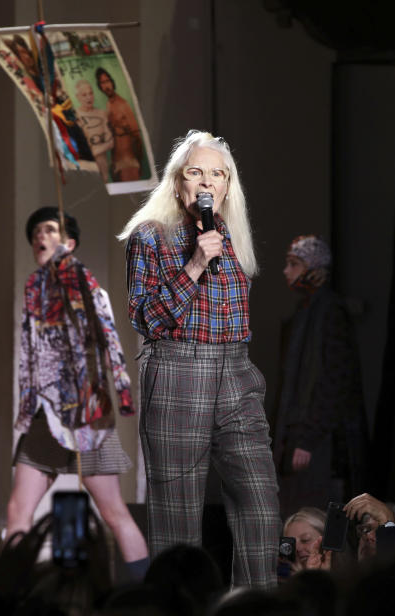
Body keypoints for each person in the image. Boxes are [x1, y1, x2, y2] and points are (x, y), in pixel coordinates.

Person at [119, 130, 280, 588]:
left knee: (260, 499)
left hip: (235, 371)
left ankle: (254, 614)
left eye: (217, 173)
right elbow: (146, 317)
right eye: (195, 172)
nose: (206, 182)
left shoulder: (231, 237)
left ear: (228, 186)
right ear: (178, 184)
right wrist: (193, 265)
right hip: (176, 371)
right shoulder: (150, 236)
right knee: (178, 519)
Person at [7, 207, 148, 580]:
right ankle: (10, 592)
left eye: (49, 229)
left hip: (87, 414)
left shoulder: (88, 287)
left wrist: (122, 393)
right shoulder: (34, 289)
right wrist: (27, 407)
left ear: (69, 243)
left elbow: (110, 344)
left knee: (114, 512)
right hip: (47, 414)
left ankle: (144, 591)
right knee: (17, 511)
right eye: (36, 231)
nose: (40, 236)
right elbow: (29, 354)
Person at [272, 235, 368, 518]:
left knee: (315, 515)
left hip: (319, 443)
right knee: (296, 511)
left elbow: (334, 380)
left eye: (294, 264)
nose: (286, 271)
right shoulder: (303, 314)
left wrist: (308, 438)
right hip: (299, 438)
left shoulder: (330, 312)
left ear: (314, 268)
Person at [95, 67, 143, 181]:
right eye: (102, 83)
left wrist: (138, 162)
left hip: (128, 163)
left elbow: (137, 135)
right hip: (116, 164)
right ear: (99, 86)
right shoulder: (109, 104)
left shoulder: (123, 104)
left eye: (107, 81)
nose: (106, 86)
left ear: (112, 82)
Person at [73, 78, 114, 183]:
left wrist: (92, 151)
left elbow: (110, 142)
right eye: (84, 95)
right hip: (84, 169)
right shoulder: (74, 116)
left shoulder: (101, 113)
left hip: (103, 167)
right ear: (77, 97)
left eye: (90, 93)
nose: (89, 97)